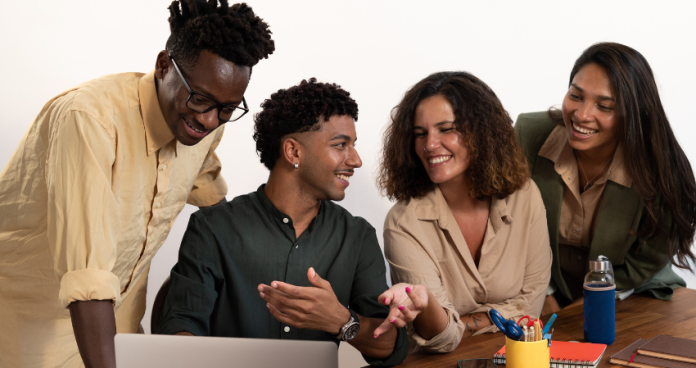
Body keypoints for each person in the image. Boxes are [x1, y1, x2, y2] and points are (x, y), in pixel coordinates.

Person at [0, 1, 274, 367]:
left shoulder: (202, 125)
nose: (209, 121)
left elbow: (211, 198)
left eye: (227, 109)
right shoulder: (89, 121)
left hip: (117, 333)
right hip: (26, 335)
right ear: (164, 66)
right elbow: (89, 277)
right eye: (201, 99)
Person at [157, 78, 408, 366]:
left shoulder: (357, 237)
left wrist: (342, 320)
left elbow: (391, 346)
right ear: (293, 152)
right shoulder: (213, 228)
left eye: (353, 145)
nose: (356, 160)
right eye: (341, 145)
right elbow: (180, 325)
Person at [373, 72, 552, 353]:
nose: (430, 144)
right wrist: (498, 315)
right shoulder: (403, 223)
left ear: (482, 132)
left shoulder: (524, 196)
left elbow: (530, 308)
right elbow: (438, 336)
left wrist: (460, 323)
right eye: (420, 134)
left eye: (446, 129)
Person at [515, 42, 696, 313]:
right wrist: (545, 293)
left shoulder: (661, 169)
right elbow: (506, 228)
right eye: (576, 96)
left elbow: (647, 260)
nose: (582, 115)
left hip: (630, 293)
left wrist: (584, 305)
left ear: (633, 114)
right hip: (540, 293)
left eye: (604, 106)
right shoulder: (528, 135)